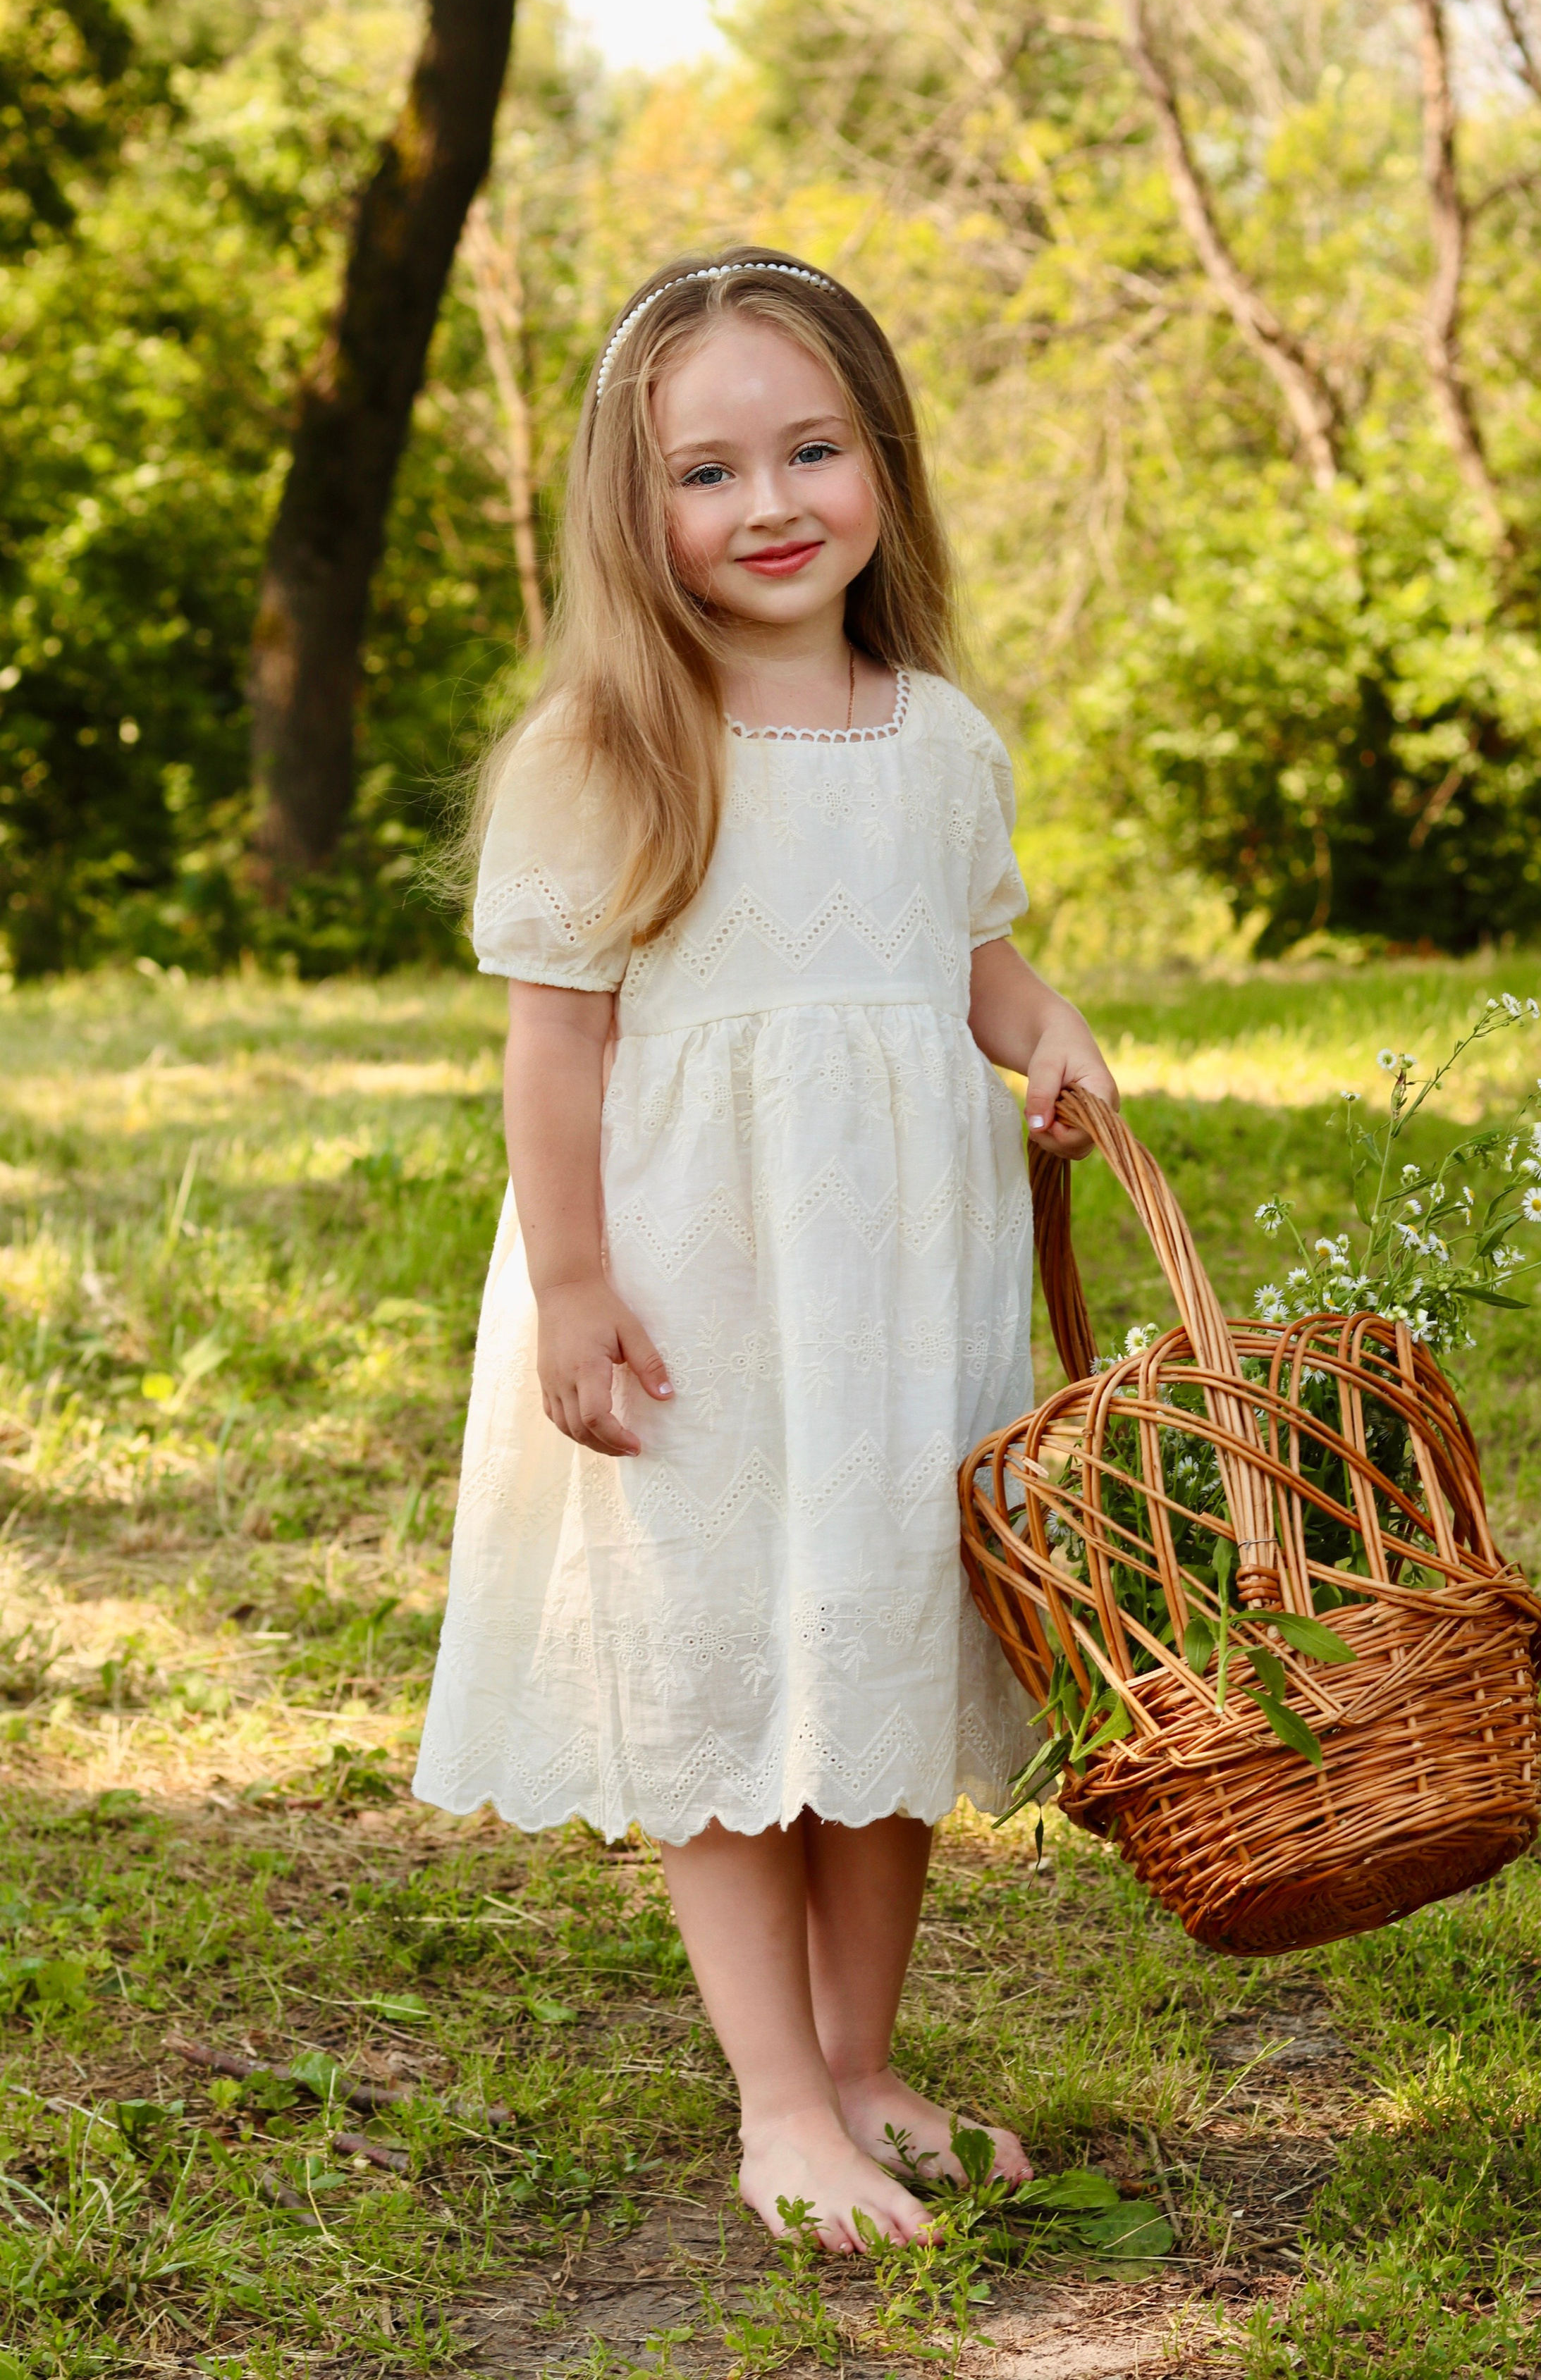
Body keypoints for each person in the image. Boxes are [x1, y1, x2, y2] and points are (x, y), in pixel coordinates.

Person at [413, 247, 1119, 2253]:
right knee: (728, 1674)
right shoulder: (609, 749)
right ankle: (778, 2103)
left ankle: (869, 2061)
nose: (770, 504)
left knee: (883, 1667)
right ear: (634, 513)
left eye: (812, 449)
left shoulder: (940, 734)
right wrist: (571, 1285)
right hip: (700, 1295)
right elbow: (558, 1047)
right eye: (707, 471)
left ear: (882, 459)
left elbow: (971, 961)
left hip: (902, 1288)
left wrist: (1047, 1033)